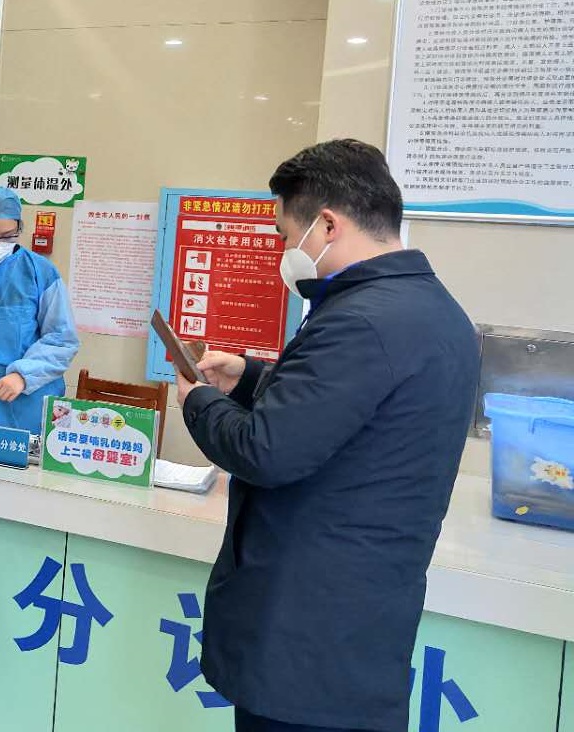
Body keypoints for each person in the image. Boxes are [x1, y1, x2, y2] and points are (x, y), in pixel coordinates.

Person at [175, 140, 480, 732]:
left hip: (305, 635)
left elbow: (266, 450)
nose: (286, 252)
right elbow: (346, 413)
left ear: (329, 225)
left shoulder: (362, 319)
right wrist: (250, 377)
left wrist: (199, 401)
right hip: (357, 626)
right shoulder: (432, 309)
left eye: (288, 236)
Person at [0, 187, 79, 439]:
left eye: (8, 235)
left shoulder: (41, 272)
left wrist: (24, 375)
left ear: (19, 226)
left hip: (27, 400)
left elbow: (62, 338)